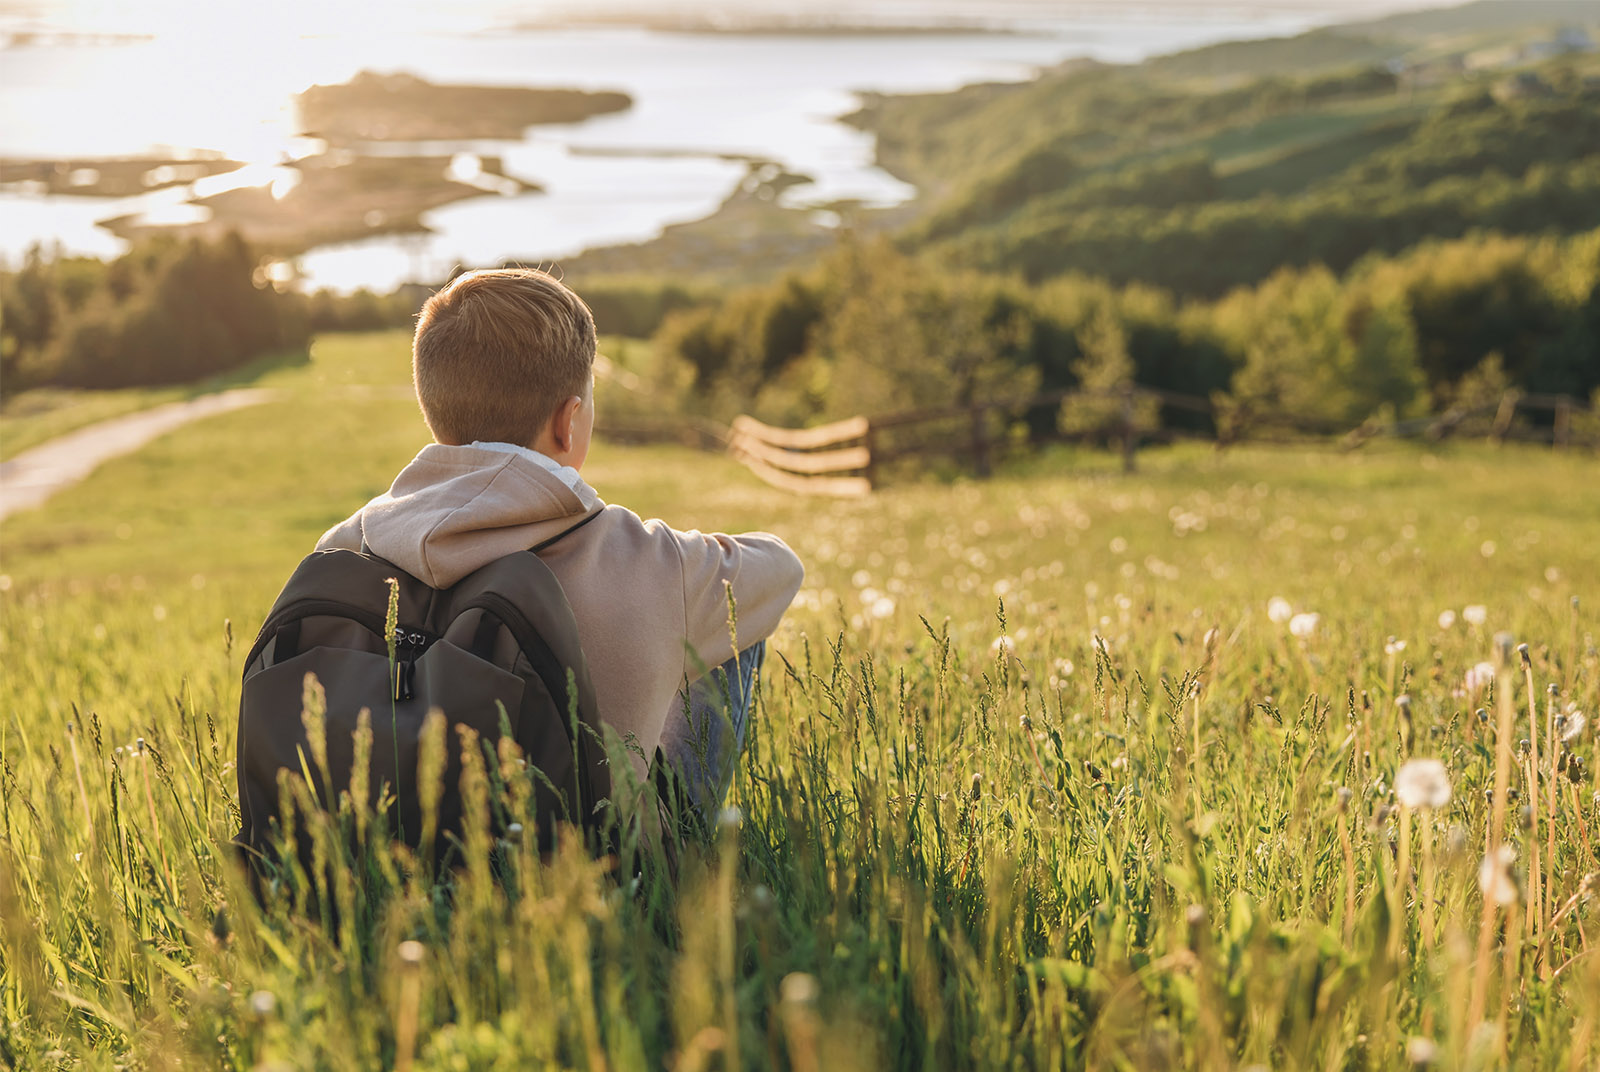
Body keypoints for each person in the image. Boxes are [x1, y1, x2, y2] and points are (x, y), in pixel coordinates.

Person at [314, 267, 804, 822]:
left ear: (435, 410)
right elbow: (781, 568)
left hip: (375, 876)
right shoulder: (652, 561)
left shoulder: (341, 548)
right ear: (568, 424)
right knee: (729, 631)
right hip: (607, 884)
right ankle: (682, 859)